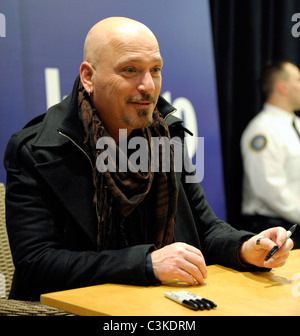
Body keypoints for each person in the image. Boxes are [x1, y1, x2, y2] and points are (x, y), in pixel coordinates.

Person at [4, 18, 293, 301]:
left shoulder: (167, 134)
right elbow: (36, 265)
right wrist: (144, 264)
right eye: (130, 70)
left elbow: (206, 227)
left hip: (155, 302)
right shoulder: (38, 149)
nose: (148, 86)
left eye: (155, 70)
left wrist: (245, 246)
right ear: (89, 77)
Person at [241, 61, 300, 248]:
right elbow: (269, 189)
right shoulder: (263, 130)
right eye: (298, 79)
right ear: (282, 87)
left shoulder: (296, 124)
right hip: (274, 230)